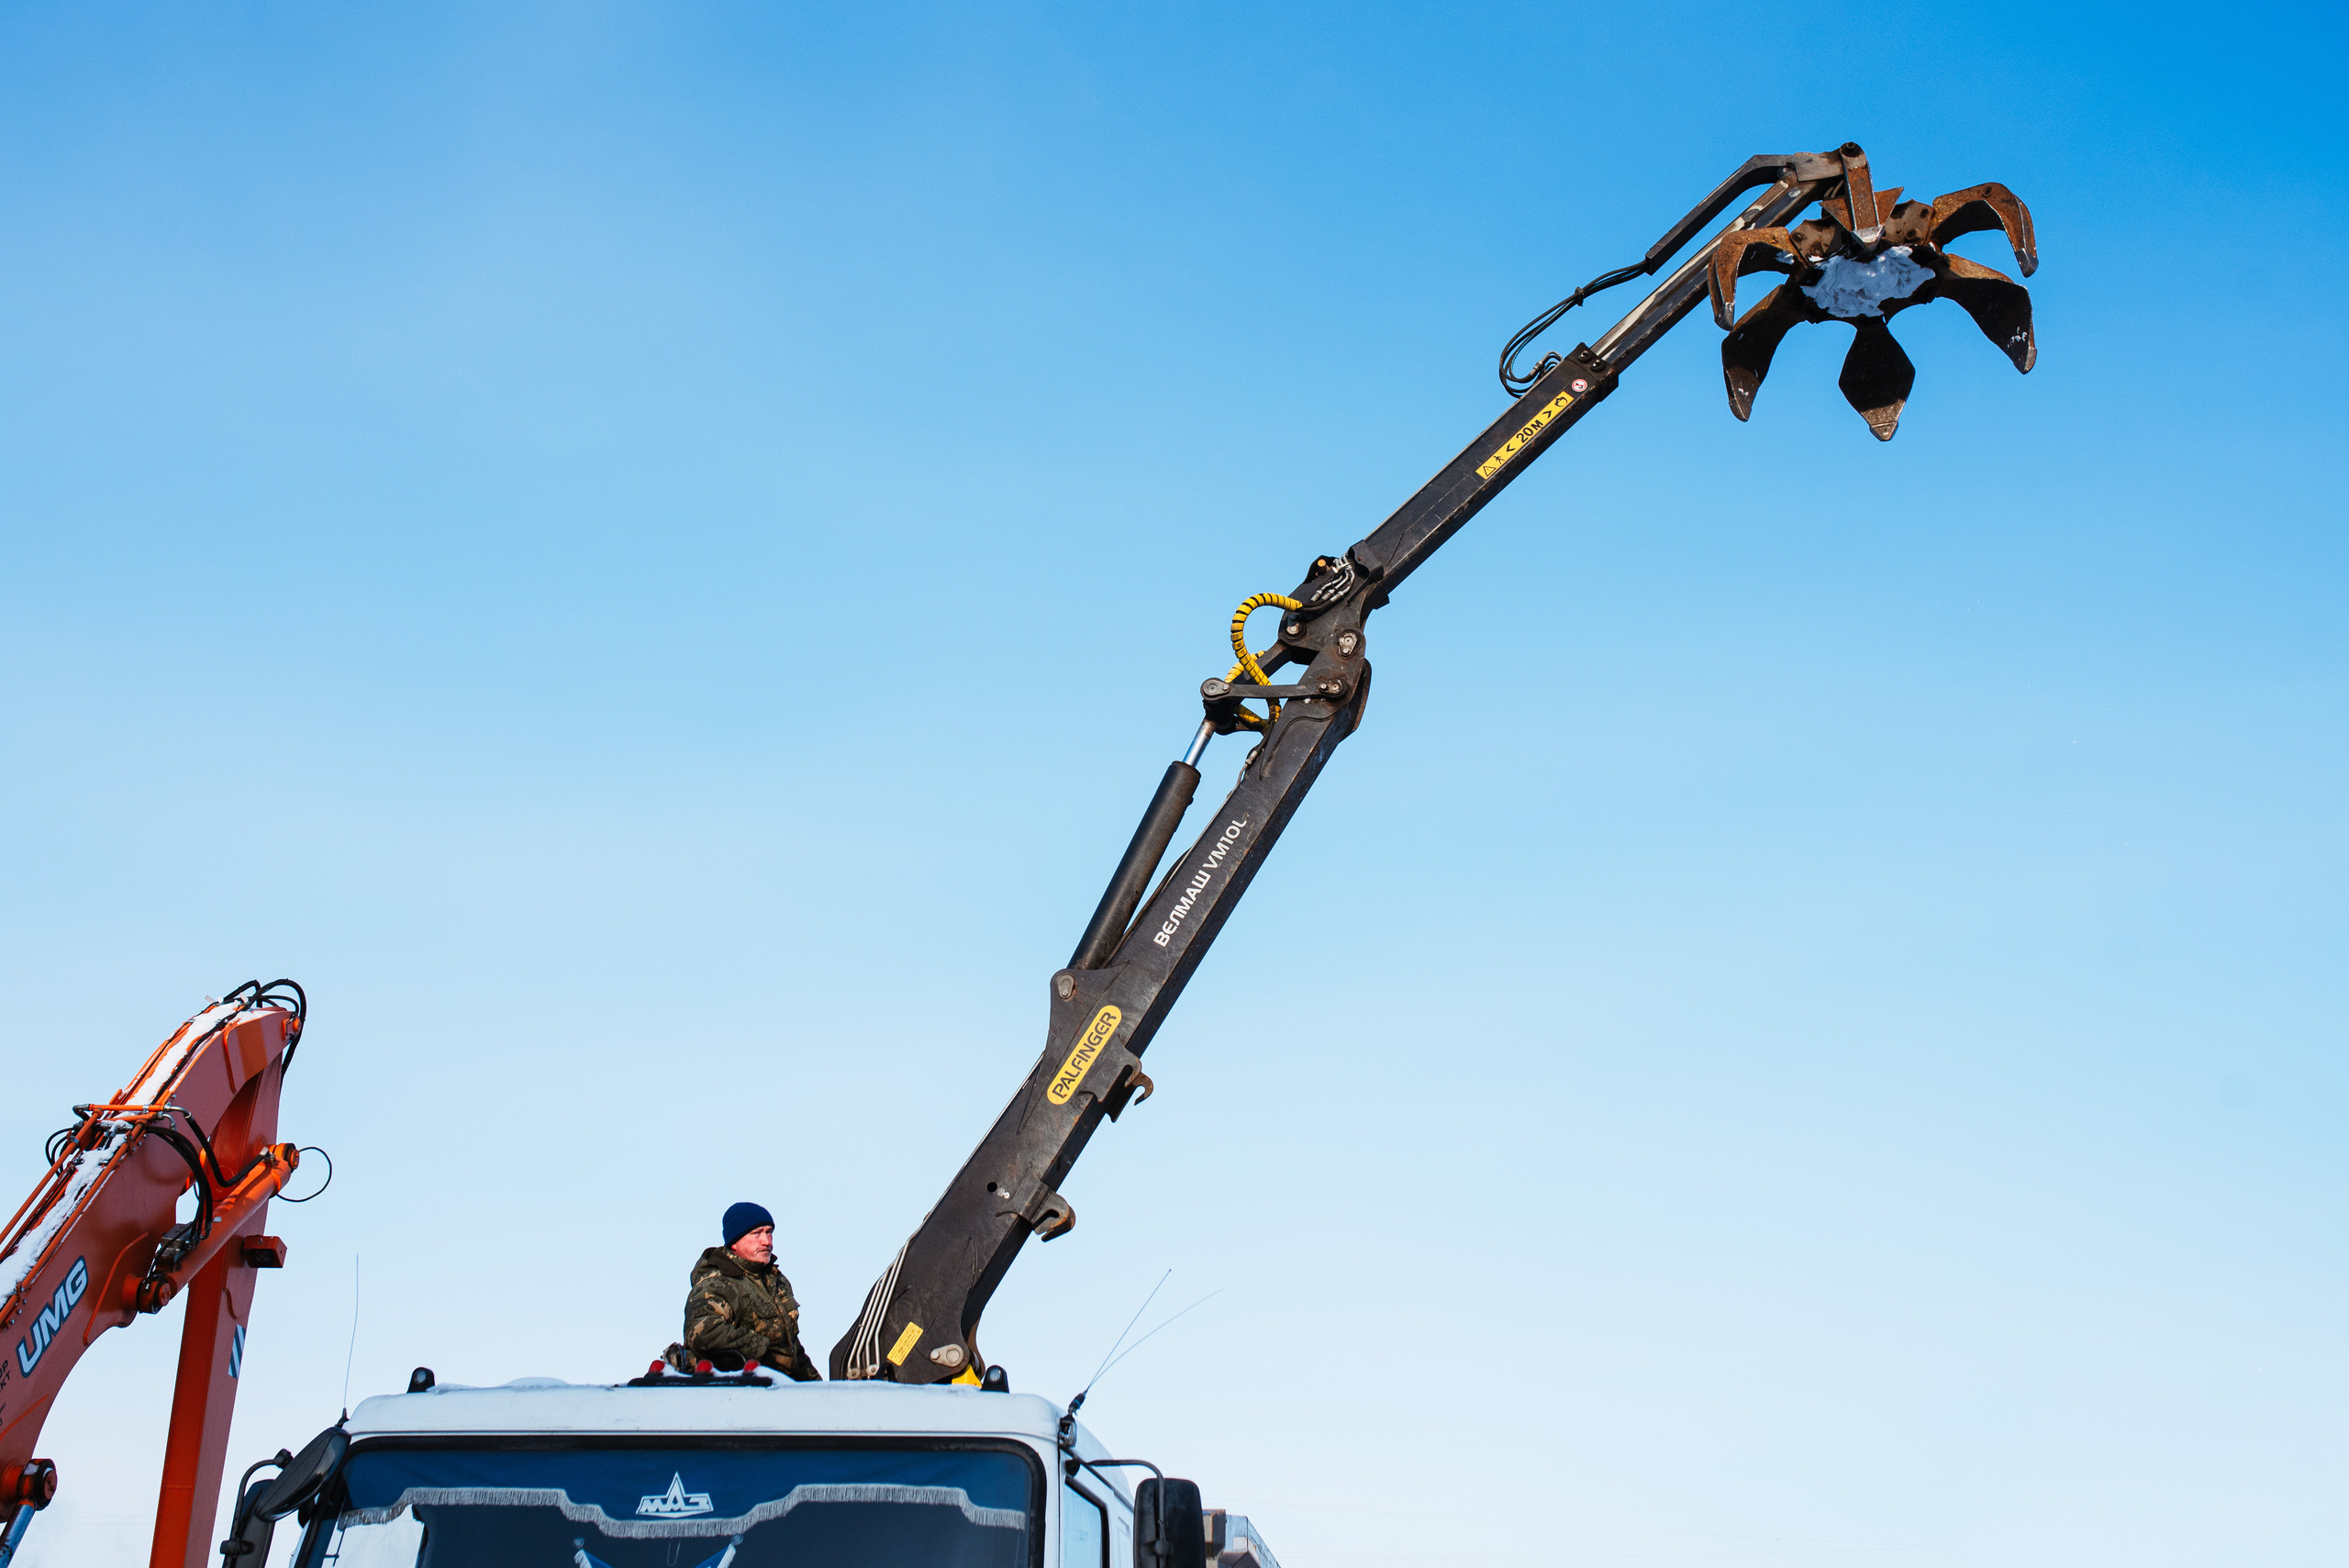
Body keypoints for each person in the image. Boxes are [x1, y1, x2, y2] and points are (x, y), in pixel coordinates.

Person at [667, 1201, 820, 1381]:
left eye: (769, 1232)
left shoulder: (777, 1282)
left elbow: (792, 1348)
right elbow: (702, 1332)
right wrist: (760, 1350)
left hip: (782, 1386)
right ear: (734, 1242)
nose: (766, 1241)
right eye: (757, 1234)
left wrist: (819, 1388)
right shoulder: (719, 1282)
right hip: (741, 1388)